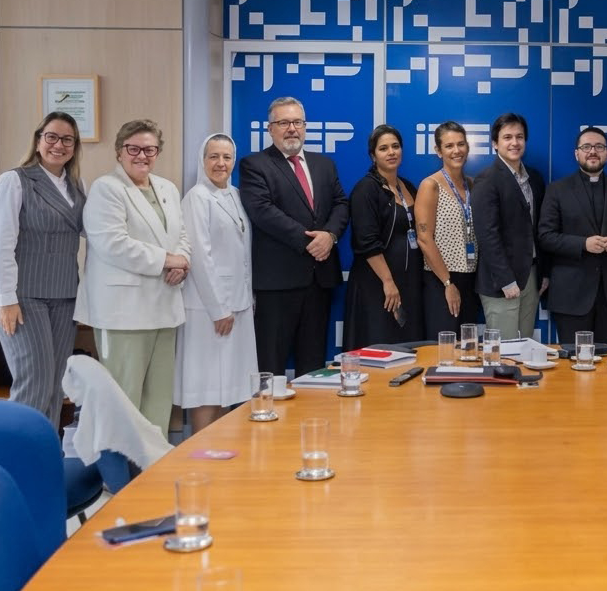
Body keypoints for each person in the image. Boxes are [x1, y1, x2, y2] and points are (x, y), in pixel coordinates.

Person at [75, 119, 190, 431]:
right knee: (123, 399)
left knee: (159, 400)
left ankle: (152, 472)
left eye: (150, 149)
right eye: (134, 148)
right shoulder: (106, 189)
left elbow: (182, 237)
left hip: (164, 308)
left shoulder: (167, 188)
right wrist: (169, 260)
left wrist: (182, 263)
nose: (142, 155)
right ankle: (118, 479)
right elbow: (113, 244)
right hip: (123, 312)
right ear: (119, 152)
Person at [0, 112, 86, 425]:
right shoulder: (14, 181)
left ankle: (47, 459)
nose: (59, 145)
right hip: (23, 295)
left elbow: (95, 233)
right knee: (34, 382)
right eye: (51, 137)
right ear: (38, 140)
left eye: (67, 139)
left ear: (75, 146)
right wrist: (5, 299)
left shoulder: (78, 185)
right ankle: (19, 461)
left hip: (64, 293)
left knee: (56, 385)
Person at [239, 97, 348, 376]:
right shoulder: (255, 165)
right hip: (277, 284)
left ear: (305, 126)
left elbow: (340, 204)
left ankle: (310, 420)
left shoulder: (324, 165)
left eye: (297, 122)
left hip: (318, 281)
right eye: (283, 122)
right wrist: (311, 241)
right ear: (270, 128)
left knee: (312, 367)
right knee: (270, 365)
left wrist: (330, 236)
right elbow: (262, 212)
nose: (291, 129)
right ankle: (267, 419)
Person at [175, 134, 256, 434]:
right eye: (214, 157)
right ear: (203, 160)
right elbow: (200, 255)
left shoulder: (235, 194)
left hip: (239, 303)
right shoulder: (196, 197)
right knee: (207, 385)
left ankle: (220, 453)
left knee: (228, 386)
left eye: (227, 157)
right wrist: (218, 308)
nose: (221, 163)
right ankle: (200, 453)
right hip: (210, 308)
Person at [538, 126, 607, 349]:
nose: (593, 151)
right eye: (587, 147)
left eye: (599, 147)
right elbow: (545, 236)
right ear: (577, 153)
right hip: (571, 296)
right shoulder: (557, 189)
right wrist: (583, 244)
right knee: (573, 367)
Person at [343, 124, 423, 348]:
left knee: (409, 351)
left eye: (395, 147)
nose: (391, 152)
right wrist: (388, 282)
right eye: (384, 148)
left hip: (409, 282)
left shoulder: (408, 186)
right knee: (379, 348)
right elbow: (366, 243)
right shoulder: (365, 189)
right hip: (378, 284)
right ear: (373, 155)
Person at [472, 113, 547, 341]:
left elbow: (539, 229)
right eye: (507, 137)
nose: (514, 143)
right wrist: (506, 279)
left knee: (524, 345)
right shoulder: (487, 179)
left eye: (519, 137)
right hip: (501, 280)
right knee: (503, 351)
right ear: (495, 143)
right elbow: (487, 234)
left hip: (531, 275)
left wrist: (543, 272)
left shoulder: (534, 177)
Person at [415, 121, 480, 338]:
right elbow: (424, 238)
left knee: (468, 349)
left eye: (461, 144)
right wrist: (447, 283)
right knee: (444, 349)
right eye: (449, 146)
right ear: (438, 151)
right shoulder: (430, 185)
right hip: (441, 279)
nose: (456, 151)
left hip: (471, 278)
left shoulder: (472, 184)